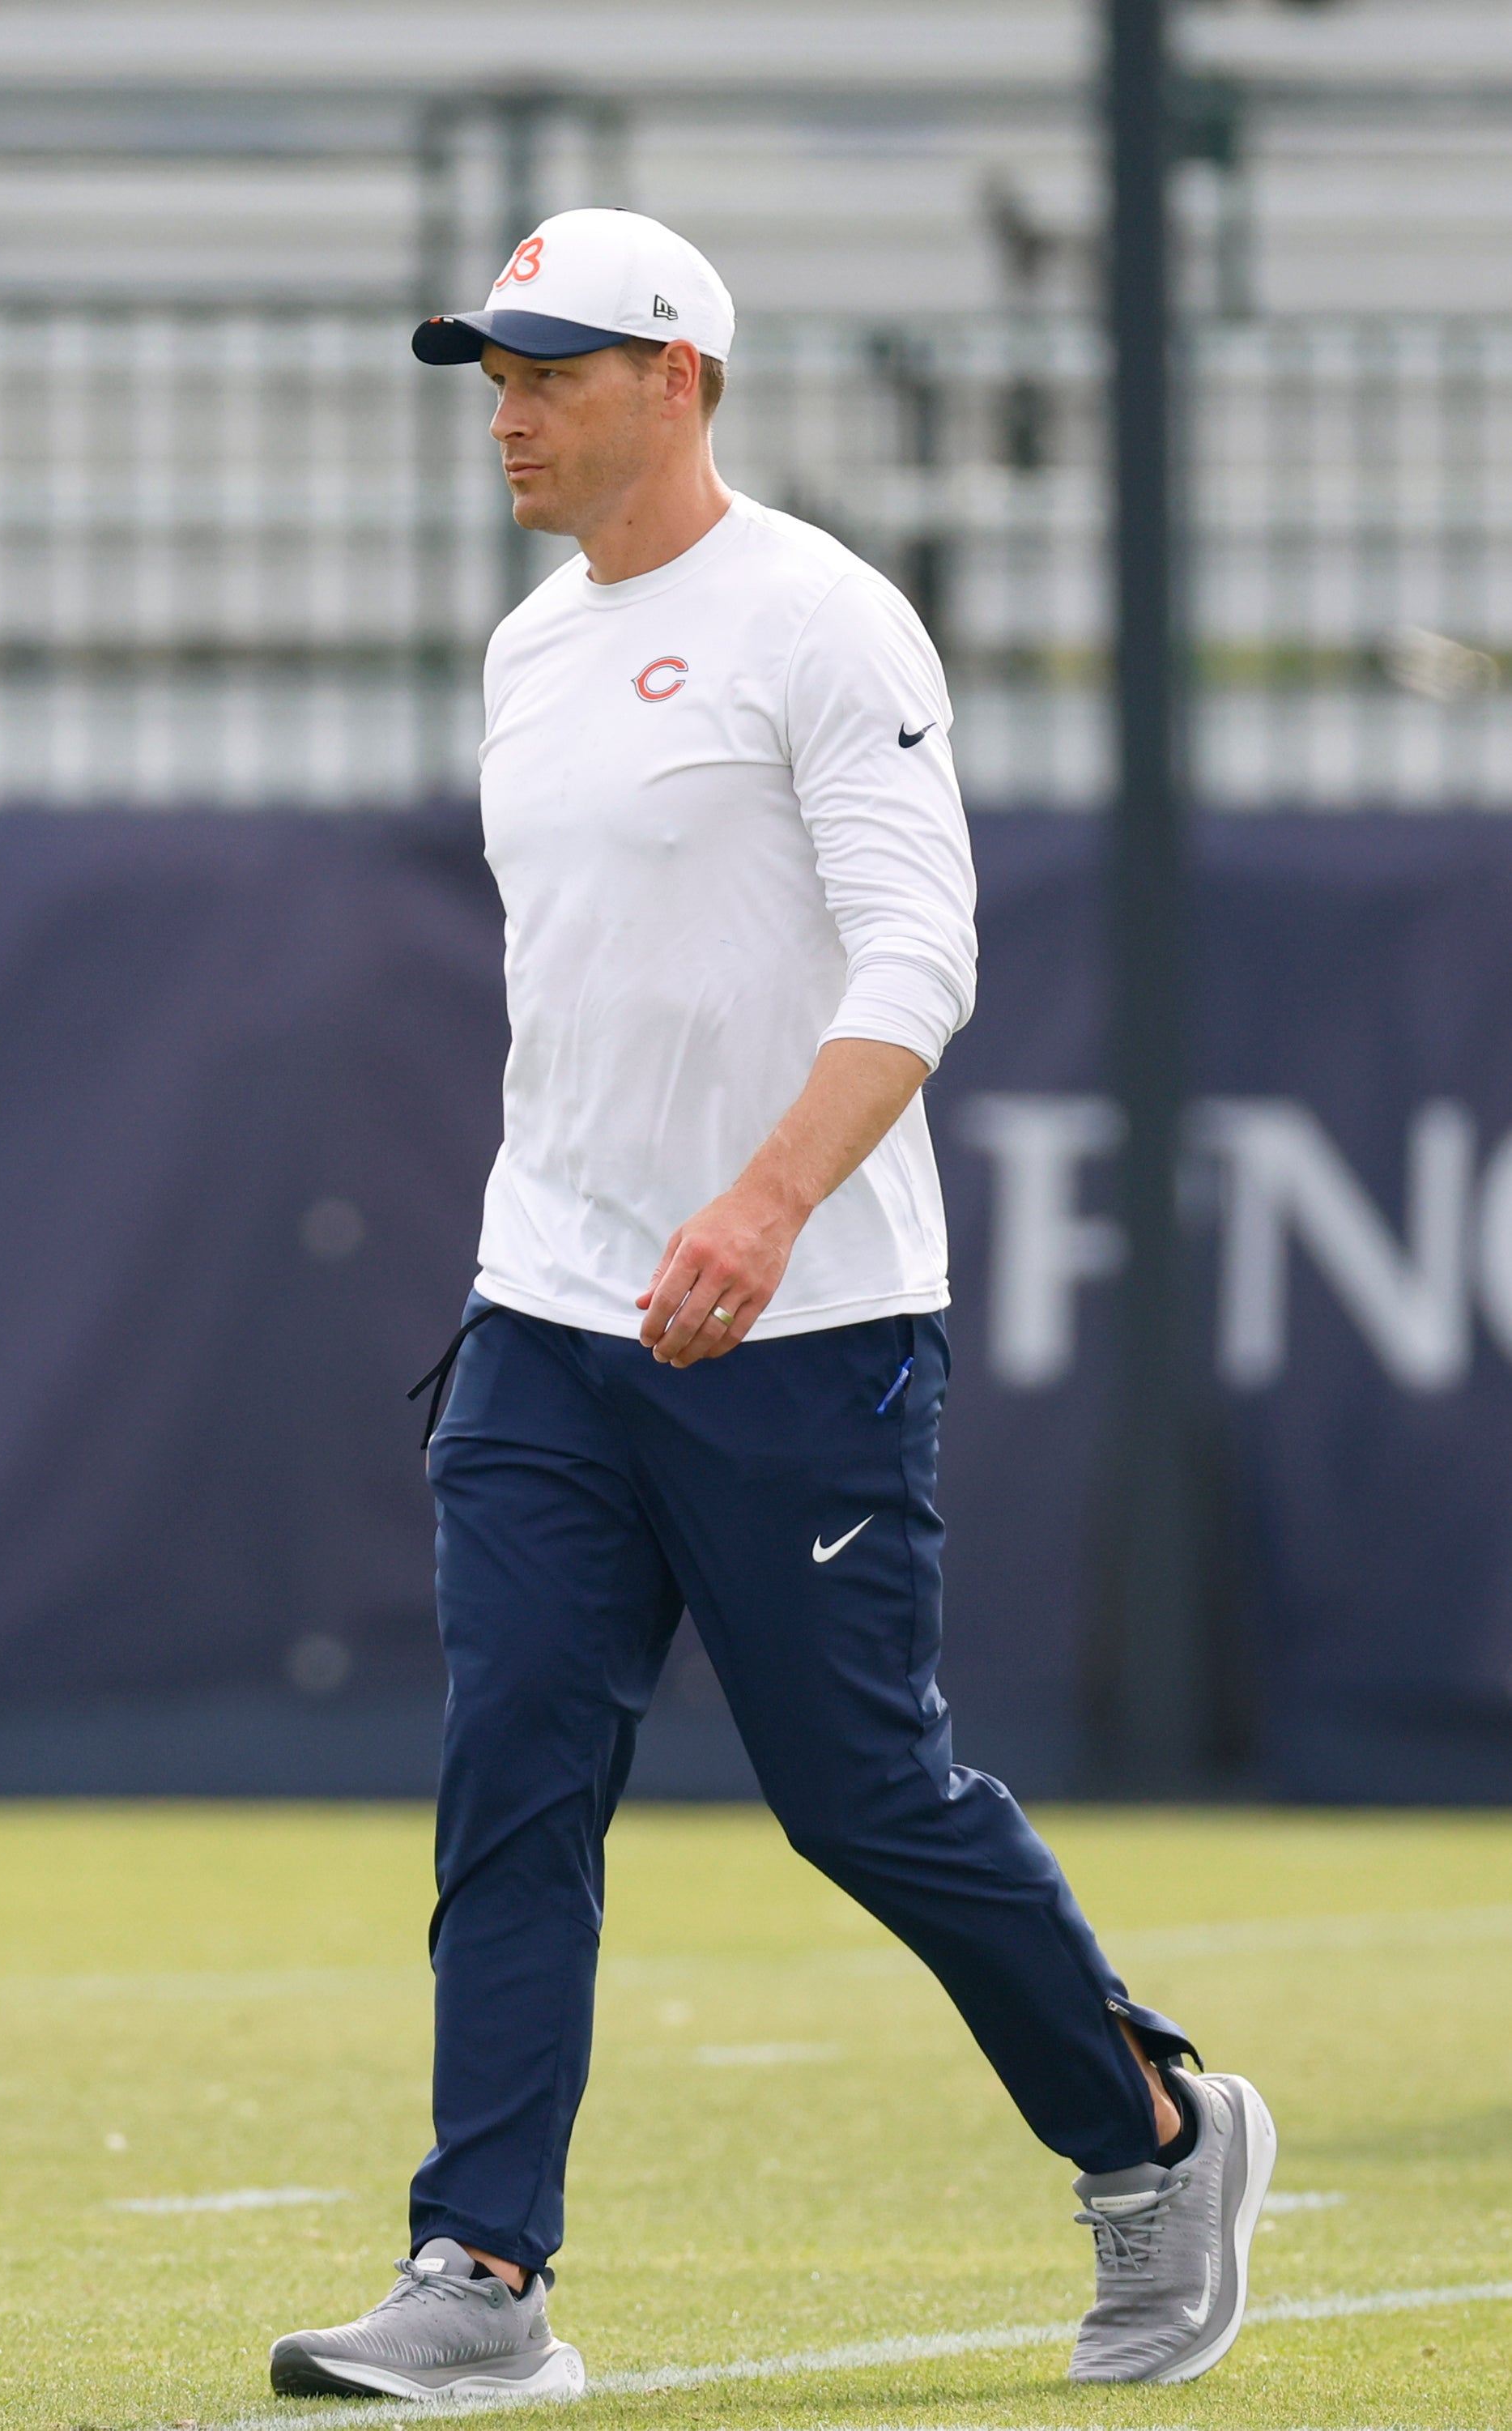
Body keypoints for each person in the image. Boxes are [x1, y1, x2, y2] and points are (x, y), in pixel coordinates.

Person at [264, 209, 1272, 2403]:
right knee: (508, 1784)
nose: (506, 412)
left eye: (548, 369)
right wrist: (594, 1237)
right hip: (543, 1322)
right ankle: (477, 2275)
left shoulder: (820, 615)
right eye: (490, 373)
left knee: (860, 1796)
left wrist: (755, 1205)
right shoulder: (530, 648)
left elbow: (920, 953)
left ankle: (1153, 2129)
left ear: (677, 378)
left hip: (801, 1325)